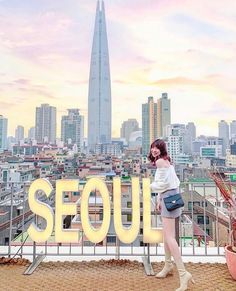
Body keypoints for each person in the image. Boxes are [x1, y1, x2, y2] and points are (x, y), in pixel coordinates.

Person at [148, 139, 195, 291]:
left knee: (169, 237)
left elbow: (161, 184)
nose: (154, 150)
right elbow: (171, 182)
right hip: (172, 197)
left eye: (157, 147)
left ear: (162, 149)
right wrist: (160, 198)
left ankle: (183, 274)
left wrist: (149, 186)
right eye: (153, 147)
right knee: (167, 236)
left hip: (169, 199)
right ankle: (168, 265)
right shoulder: (166, 161)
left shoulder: (160, 162)